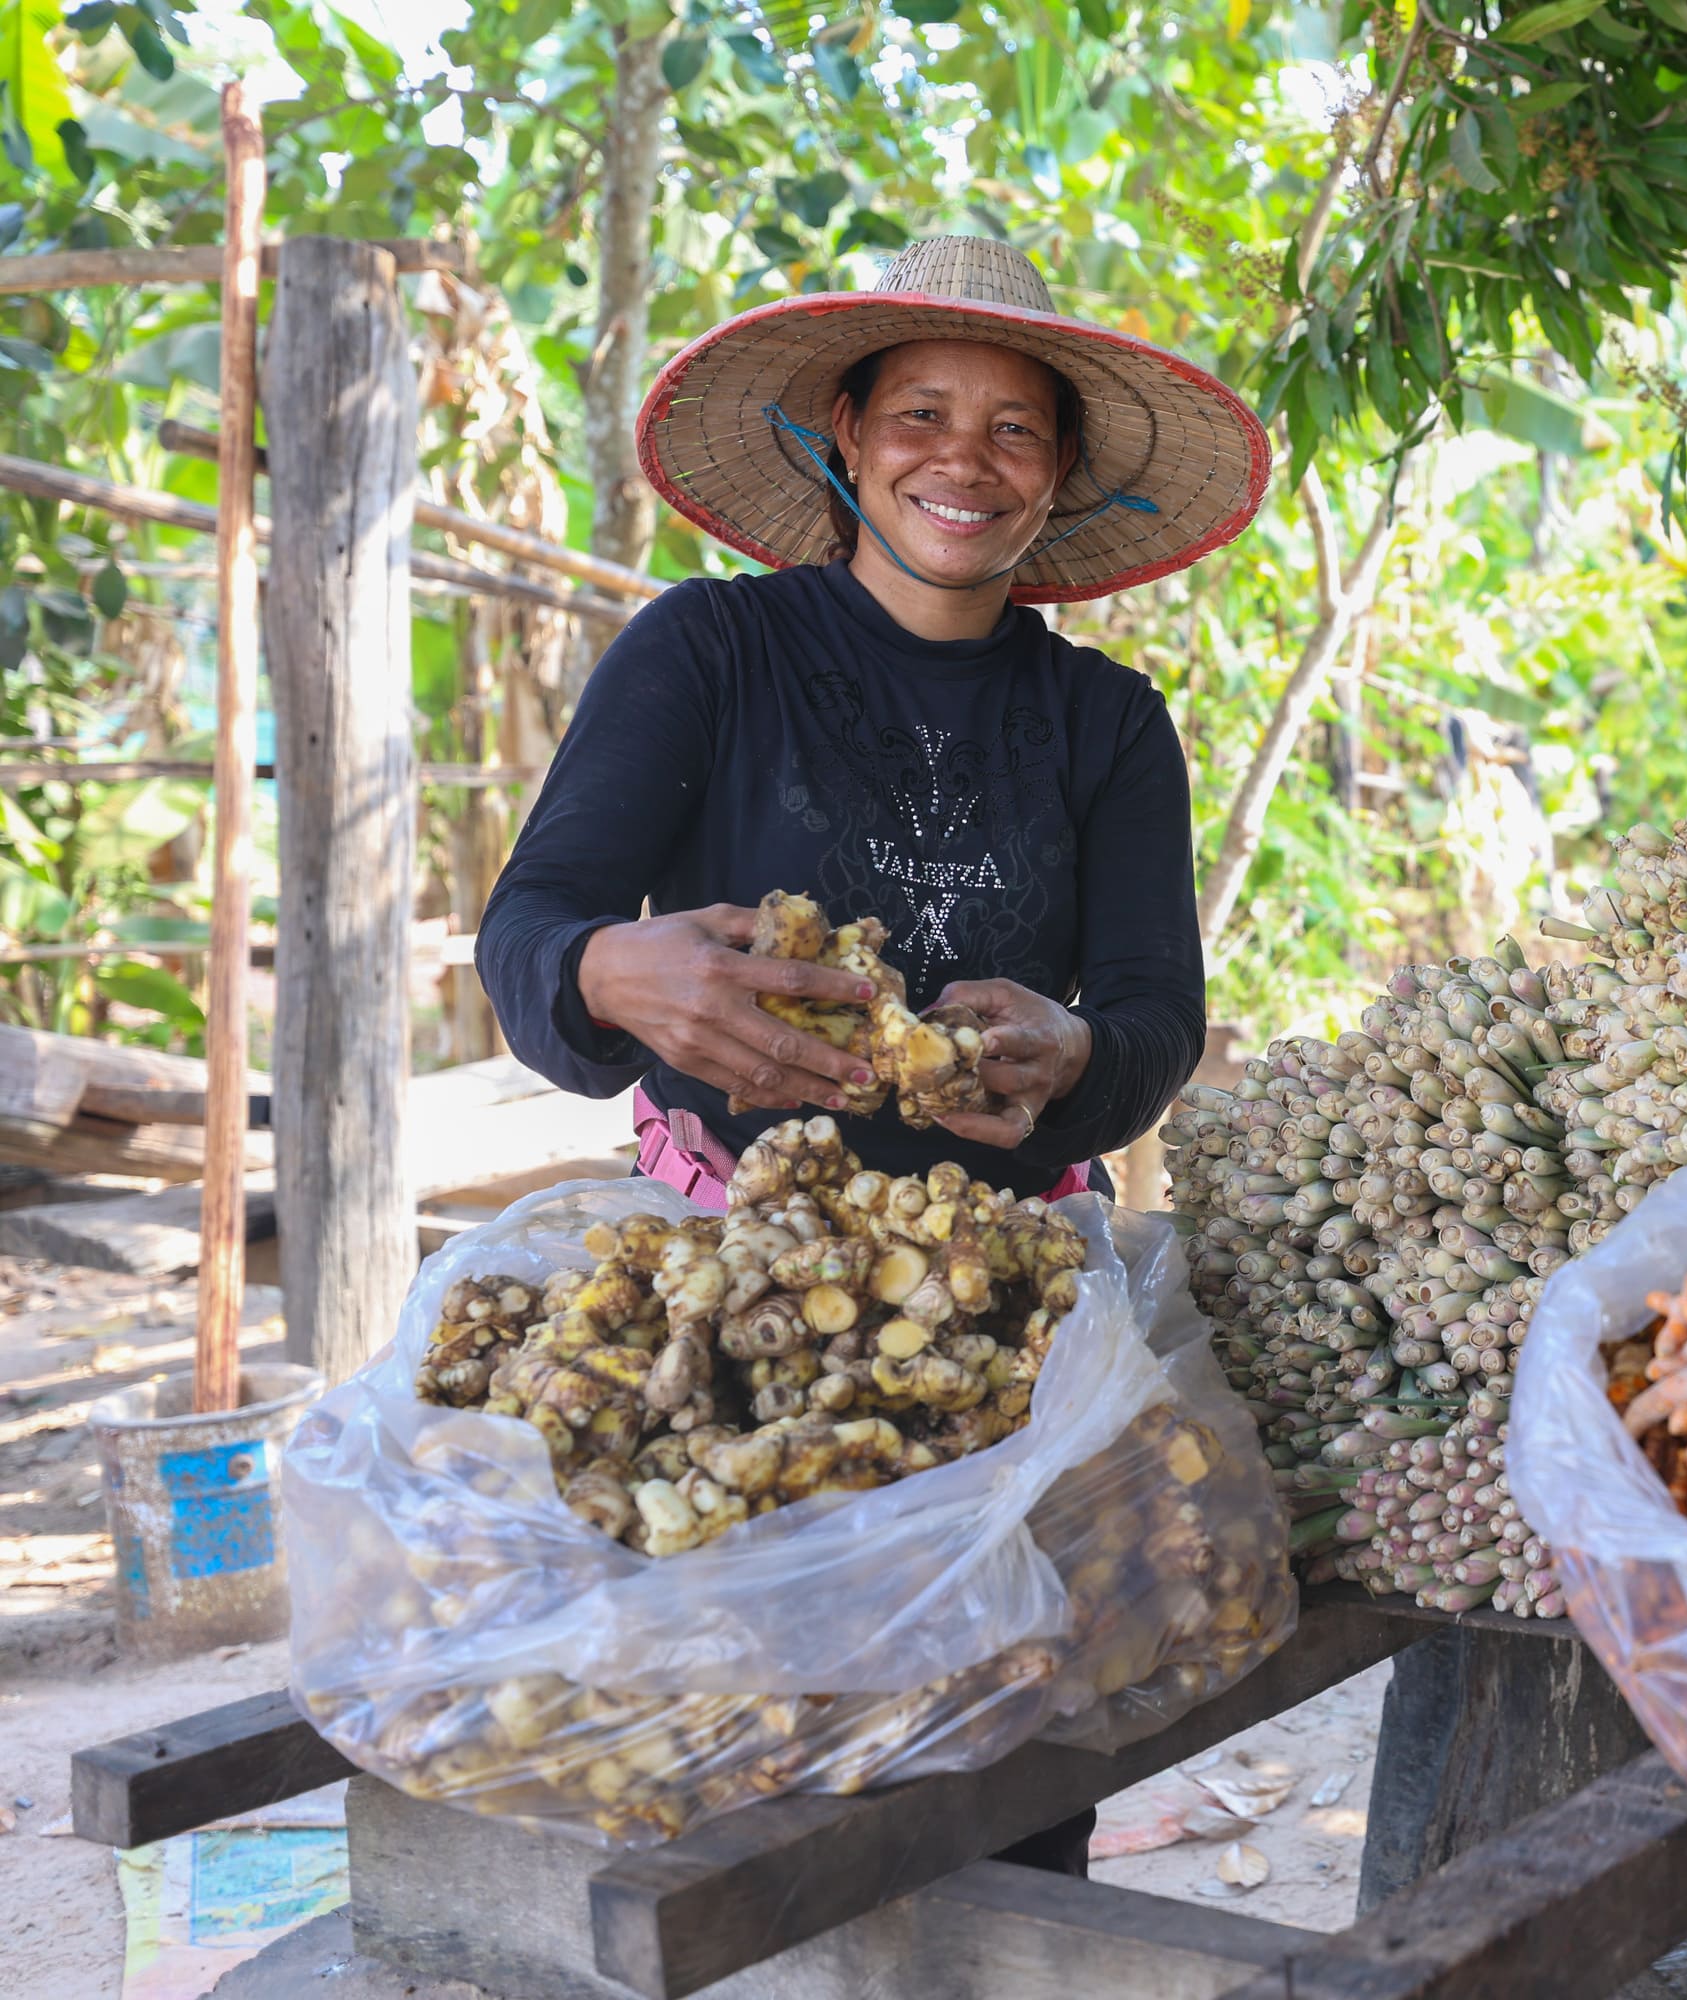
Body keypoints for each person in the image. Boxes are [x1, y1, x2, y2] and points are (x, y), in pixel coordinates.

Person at [477, 236, 1271, 1875]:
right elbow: (532, 935)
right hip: (721, 1299)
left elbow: (1151, 1022)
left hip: (1004, 1311)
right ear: (844, 431)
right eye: (921, 413)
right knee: (758, 1769)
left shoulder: (1107, 724)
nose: (961, 463)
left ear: (1058, 479)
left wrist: (1075, 1057)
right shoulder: (707, 653)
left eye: (1014, 432)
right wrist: (618, 973)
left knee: (1008, 1767)